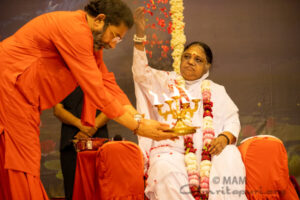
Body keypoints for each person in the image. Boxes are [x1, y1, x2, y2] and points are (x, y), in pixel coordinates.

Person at [0, 1, 183, 199]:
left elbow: (106, 83)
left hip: (18, 94)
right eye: (115, 36)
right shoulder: (75, 30)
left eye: (119, 40)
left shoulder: (90, 40)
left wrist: (140, 119)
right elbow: (96, 89)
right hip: (9, 86)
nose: (113, 44)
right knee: (21, 163)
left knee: (17, 160)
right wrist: (137, 127)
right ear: (100, 20)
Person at [132, 7, 247, 200]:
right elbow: (140, 73)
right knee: (165, 168)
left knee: (230, 155)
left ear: (207, 66)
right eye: (187, 56)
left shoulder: (216, 90)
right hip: (171, 151)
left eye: (198, 59)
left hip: (210, 151)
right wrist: (140, 35)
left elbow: (232, 121)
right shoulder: (165, 81)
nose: (190, 62)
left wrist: (224, 139)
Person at [53, 86, 109, 200]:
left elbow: (111, 108)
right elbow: (57, 110)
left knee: (100, 188)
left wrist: (93, 126)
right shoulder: (63, 79)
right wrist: (80, 124)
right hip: (71, 141)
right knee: (73, 187)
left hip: (99, 141)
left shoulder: (101, 77)